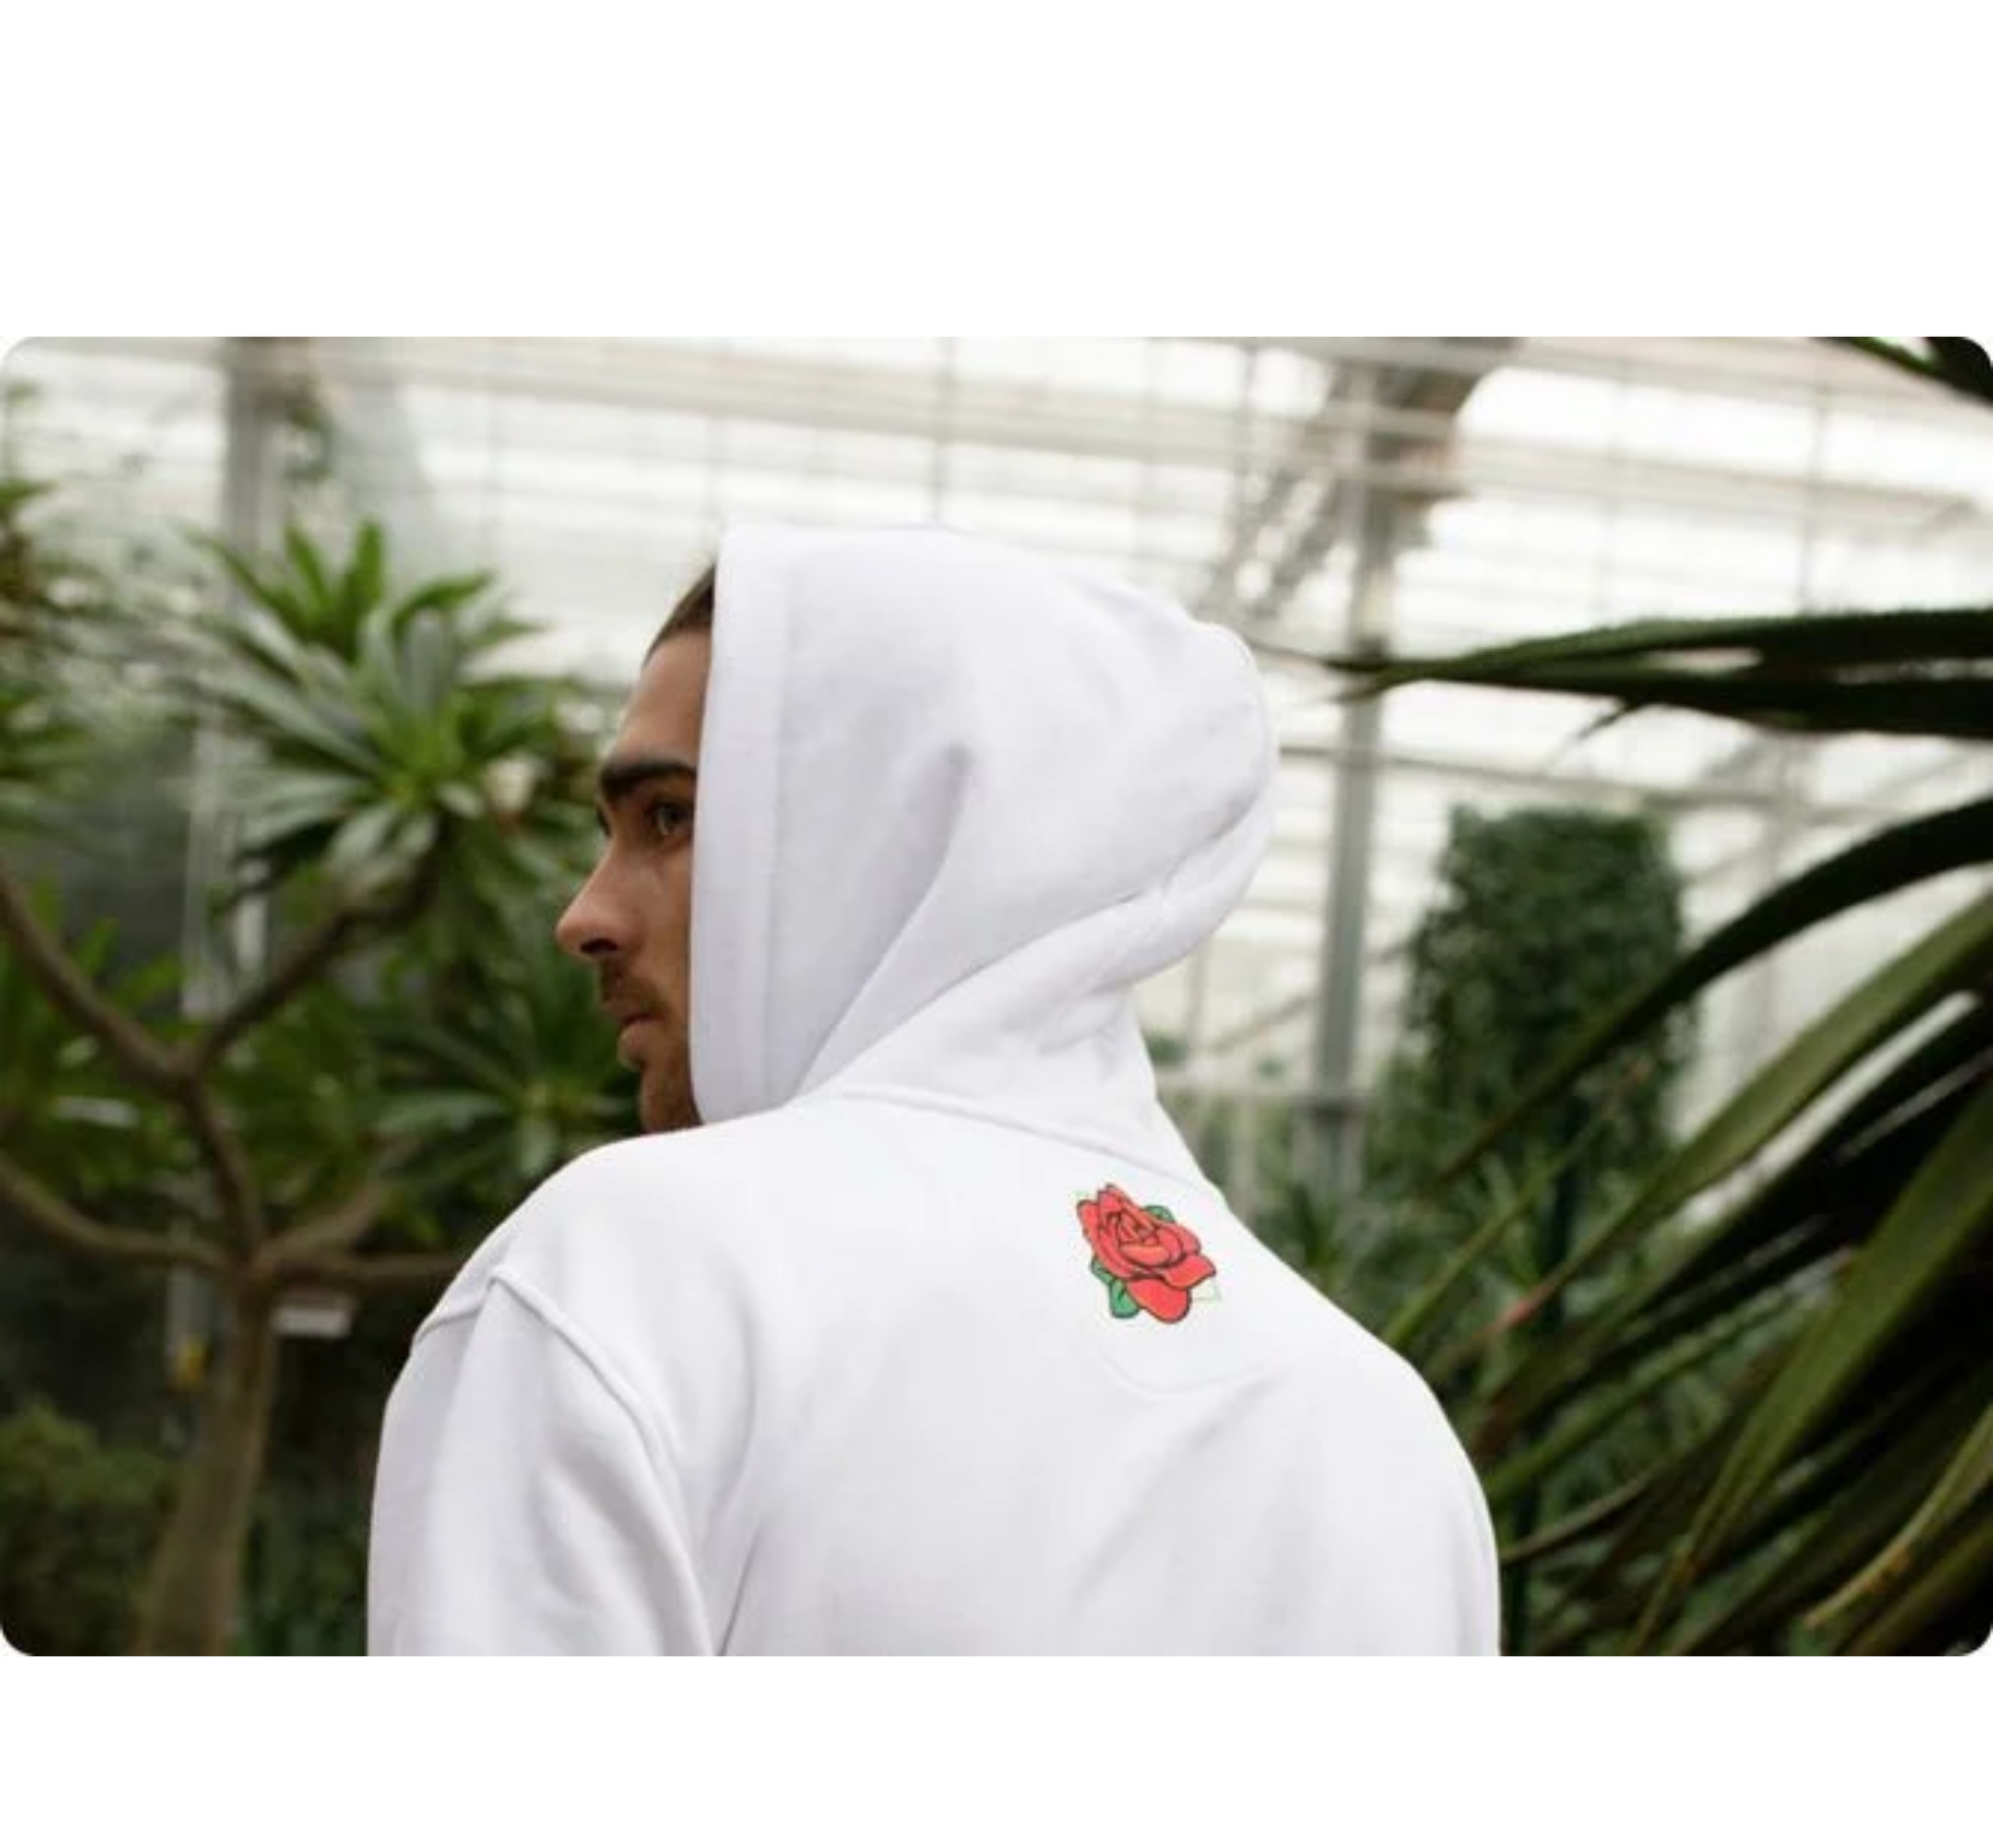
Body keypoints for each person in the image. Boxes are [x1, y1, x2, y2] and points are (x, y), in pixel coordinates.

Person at [367, 525, 1504, 1658]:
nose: (586, 916)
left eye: (670, 817)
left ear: (884, 825)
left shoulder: (626, 1273)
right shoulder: (1382, 1430)